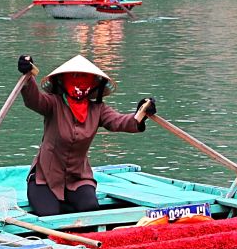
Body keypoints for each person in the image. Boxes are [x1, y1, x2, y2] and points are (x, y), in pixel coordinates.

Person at [16, 54, 156, 216]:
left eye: (85, 78)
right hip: (45, 179)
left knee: (90, 209)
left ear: (94, 83)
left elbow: (120, 121)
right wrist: (28, 75)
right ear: (63, 80)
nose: (80, 82)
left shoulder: (98, 109)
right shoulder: (54, 103)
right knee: (49, 214)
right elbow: (34, 99)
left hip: (79, 178)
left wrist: (141, 114)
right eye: (75, 77)